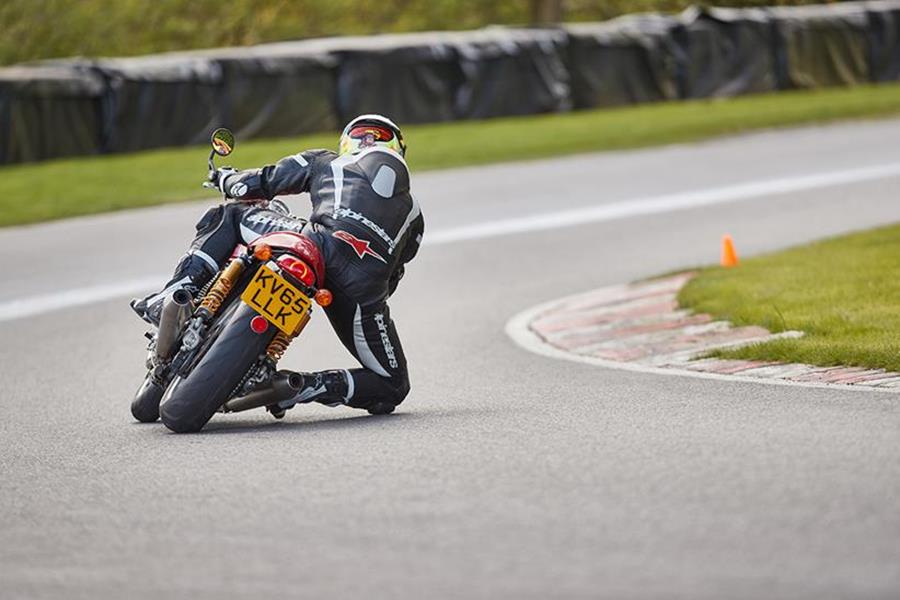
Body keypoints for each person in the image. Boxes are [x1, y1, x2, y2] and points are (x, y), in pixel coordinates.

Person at [131, 114, 423, 416]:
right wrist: (365, 297)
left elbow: (260, 182)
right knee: (393, 383)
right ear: (398, 148)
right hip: (362, 289)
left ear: (348, 142)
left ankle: (176, 292)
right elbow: (393, 277)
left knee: (230, 215)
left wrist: (226, 178)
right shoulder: (415, 216)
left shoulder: (326, 161)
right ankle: (305, 386)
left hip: (315, 244)